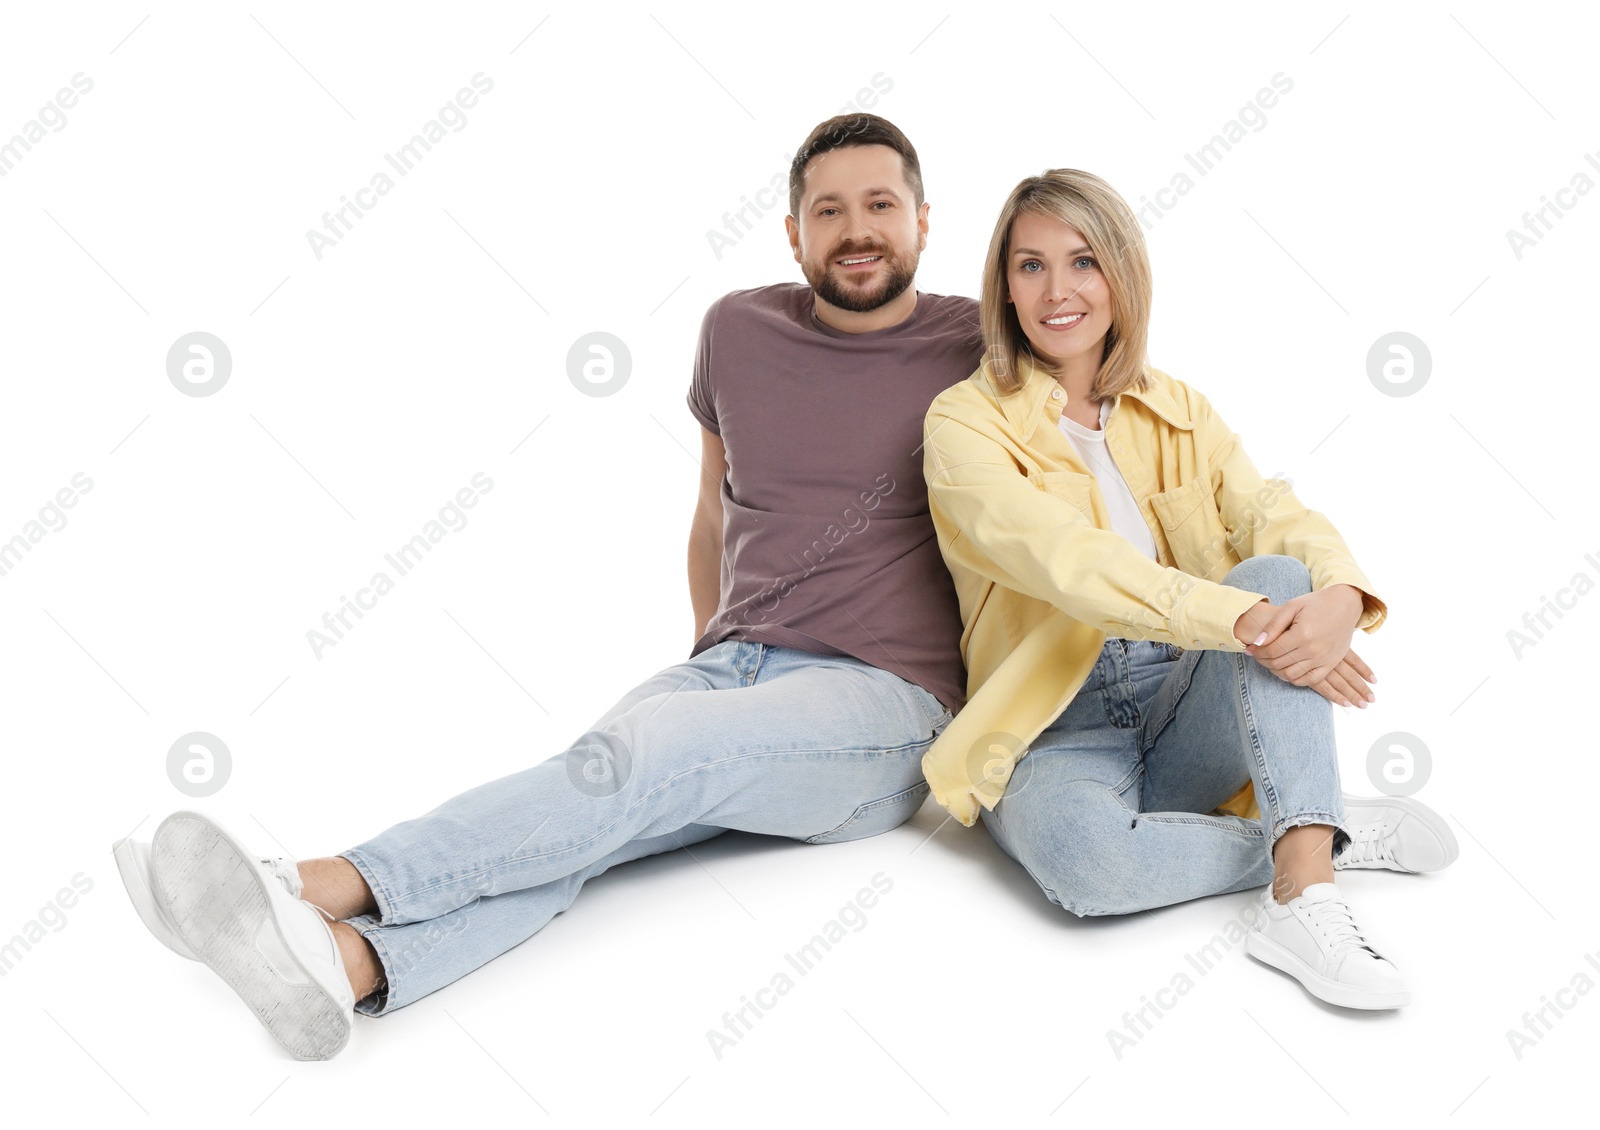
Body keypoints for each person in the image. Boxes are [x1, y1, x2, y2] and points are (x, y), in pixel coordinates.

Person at [112, 113, 983, 1060]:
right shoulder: (738, 328)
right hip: (733, 667)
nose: (858, 229)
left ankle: (297, 886)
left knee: (638, 760)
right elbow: (712, 503)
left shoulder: (978, 346)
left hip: (883, 710)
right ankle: (346, 966)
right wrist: (713, 655)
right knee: (580, 818)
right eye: (830, 209)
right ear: (793, 231)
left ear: (925, 221)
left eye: (881, 205)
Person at [917, 168, 1456, 1010]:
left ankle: (1303, 887)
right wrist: (1244, 618)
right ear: (1005, 287)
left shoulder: (1181, 410)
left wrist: (1342, 596)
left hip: (1186, 692)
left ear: (1121, 275)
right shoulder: (961, 422)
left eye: (1083, 261)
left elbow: (1275, 516)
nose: (1057, 290)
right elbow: (1069, 561)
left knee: (1282, 573)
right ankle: (1307, 822)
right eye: (1030, 266)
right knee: (1085, 866)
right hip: (1053, 725)